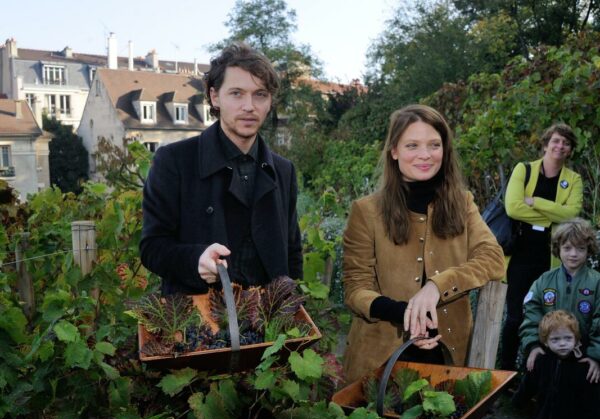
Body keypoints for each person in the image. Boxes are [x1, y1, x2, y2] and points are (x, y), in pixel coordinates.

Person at [342, 104, 505, 384]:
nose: (425, 155)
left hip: (448, 356)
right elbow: (356, 288)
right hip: (380, 359)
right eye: (412, 145)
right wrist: (404, 312)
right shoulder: (366, 211)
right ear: (394, 151)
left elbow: (492, 259)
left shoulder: (462, 204)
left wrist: (437, 286)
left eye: (434, 145)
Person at [140, 42, 303, 295]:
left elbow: (292, 252)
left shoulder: (283, 170)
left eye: (260, 94)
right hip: (198, 322)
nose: (249, 106)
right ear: (215, 97)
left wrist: (292, 308)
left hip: (268, 323)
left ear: (270, 101)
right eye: (236, 93)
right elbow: (152, 247)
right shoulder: (174, 161)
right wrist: (195, 259)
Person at [500, 123, 583, 370]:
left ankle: (540, 373)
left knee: (549, 319)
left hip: (551, 258)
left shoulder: (573, 179)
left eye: (566, 143)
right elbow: (513, 207)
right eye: (556, 141)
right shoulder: (523, 170)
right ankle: (507, 372)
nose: (560, 146)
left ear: (569, 151)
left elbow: (572, 213)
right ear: (546, 144)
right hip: (520, 255)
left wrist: (534, 201)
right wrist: (551, 219)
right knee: (515, 317)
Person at [519, 217, 600, 382]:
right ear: (558, 249)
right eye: (567, 248)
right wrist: (533, 345)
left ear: (588, 250)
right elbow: (531, 314)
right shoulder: (544, 281)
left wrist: (595, 356)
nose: (573, 254)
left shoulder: (597, 282)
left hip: (584, 355)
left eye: (580, 248)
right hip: (550, 350)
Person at [513, 310, 600, 419]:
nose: (562, 344)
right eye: (555, 339)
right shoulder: (541, 362)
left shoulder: (584, 365)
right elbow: (529, 384)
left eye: (568, 338)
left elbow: (593, 397)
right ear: (545, 342)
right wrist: (519, 400)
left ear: (576, 339)